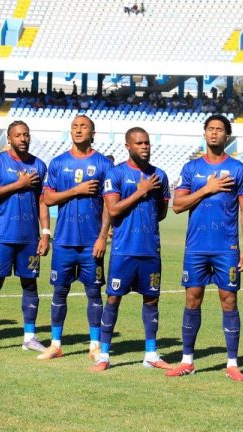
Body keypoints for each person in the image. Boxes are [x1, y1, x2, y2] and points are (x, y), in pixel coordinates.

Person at [165, 114, 243, 381]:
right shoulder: (191, 169)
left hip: (226, 248)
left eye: (220, 130)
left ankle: (232, 363)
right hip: (196, 248)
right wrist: (207, 188)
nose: (214, 133)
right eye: (210, 129)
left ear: (227, 137)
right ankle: (187, 360)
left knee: (229, 300)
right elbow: (178, 206)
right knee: (192, 299)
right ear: (204, 134)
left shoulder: (239, 170)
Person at [91, 127, 171, 372]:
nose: (144, 147)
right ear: (128, 146)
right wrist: (141, 192)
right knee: (113, 298)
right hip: (124, 250)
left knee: (151, 299)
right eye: (139, 143)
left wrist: (149, 194)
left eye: (147, 143)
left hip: (150, 250)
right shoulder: (115, 174)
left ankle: (151, 353)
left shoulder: (160, 176)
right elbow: (113, 210)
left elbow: (162, 212)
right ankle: (104, 354)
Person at [37, 115, 112, 360]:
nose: (79, 130)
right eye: (75, 127)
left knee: (94, 292)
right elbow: (48, 199)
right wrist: (76, 190)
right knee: (60, 291)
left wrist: (103, 236)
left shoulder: (104, 164)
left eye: (84, 127)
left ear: (93, 133)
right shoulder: (58, 163)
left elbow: (108, 205)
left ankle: (94, 345)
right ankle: (56, 344)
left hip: (92, 241)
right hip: (64, 241)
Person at [0, 121, 50, 353]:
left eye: (26, 134)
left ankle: (29, 337)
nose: (23, 138)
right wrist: (19, 184)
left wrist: (45, 233)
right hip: (2, 235)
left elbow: (42, 201)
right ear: (9, 138)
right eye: (18, 135)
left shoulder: (39, 165)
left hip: (29, 237)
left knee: (30, 283)